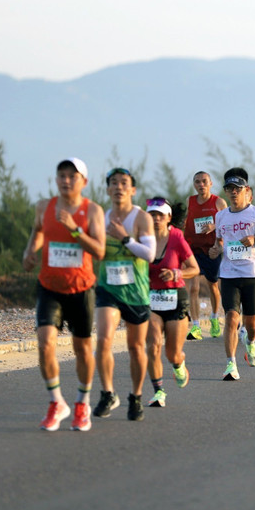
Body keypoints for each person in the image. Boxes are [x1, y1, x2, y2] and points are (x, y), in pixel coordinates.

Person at [23, 158, 106, 432]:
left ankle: (82, 403)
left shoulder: (92, 210)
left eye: (72, 176)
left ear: (84, 181)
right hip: (49, 287)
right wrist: (30, 251)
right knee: (45, 343)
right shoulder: (43, 207)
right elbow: (38, 232)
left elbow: (99, 251)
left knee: (82, 349)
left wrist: (74, 228)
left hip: (81, 289)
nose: (66, 180)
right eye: (62, 175)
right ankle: (57, 402)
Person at [93, 168, 157, 421]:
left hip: (136, 291)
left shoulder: (141, 218)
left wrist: (125, 238)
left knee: (136, 347)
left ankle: (136, 396)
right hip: (107, 288)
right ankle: (108, 393)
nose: (118, 187)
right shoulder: (102, 217)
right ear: (108, 189)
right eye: (114, 183)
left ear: (133, 189)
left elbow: (150, 255)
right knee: (103, 340)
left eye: (124, 183)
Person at [208, 168, 255, 381]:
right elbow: (219, 241)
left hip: (251, 273)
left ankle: (250, 342)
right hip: (228, 274)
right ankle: (231, 364)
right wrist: (216, 249)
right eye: (229, 189)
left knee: (251, 324)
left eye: (237, 189)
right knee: (231, 317)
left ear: (246, 190)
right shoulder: (220, 216)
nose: (233, 192)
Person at [145, 198, 199, 408]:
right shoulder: (143, 238)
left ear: (168, 217)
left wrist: (176, 273)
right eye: (152, 215)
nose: (156, 219)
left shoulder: (176, 237)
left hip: (175, 298)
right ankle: (158, 391)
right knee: (153, 346)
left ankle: (178, 364)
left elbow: (194, 268)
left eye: (160, 215)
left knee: (172, 353)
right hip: (151, 298)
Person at [183, 171, 227, 340]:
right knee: (193, 288)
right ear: (194, 184)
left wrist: (214, 227)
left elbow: (227, 224)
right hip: (192, 250)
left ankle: (214, 317)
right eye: (197, 182)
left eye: (204, 181)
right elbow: (184, 222)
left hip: (211, 250)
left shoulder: (218, 202)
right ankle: (196, 326)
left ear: (210, 183)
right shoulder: (189, 201)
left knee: (213, 286)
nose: (201, 185)